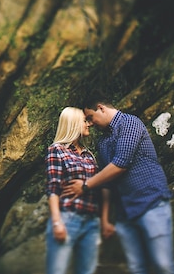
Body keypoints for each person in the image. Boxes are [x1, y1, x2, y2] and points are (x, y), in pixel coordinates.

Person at [62, 96, 174, 274]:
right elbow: (106, 183)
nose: (90, 123)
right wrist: (106, 218)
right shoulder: (102, 142)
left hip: (151, 203)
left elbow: (120, 164)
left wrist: (85, 185)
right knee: (136, 268)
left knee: (163, 264)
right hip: (125, 213)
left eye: (91, 117)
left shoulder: (129, 123)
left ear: (101, 108)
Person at [44, 107, 105, 274]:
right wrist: (57, 222)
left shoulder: (88, 155)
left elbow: (99, 185)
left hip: (92, 221)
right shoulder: (57, 150)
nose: (88, 124)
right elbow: (53, 188)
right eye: (84, 121)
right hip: (68, 217)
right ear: (73, 123)